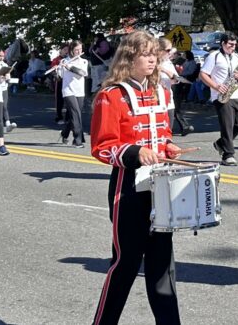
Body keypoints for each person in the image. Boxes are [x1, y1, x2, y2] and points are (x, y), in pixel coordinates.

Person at [90, 30, 183, 325]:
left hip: (161, 186)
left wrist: (168, 146)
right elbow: (102, 147)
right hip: (127, 188)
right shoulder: (111, 95)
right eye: (145, 54)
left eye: (154, 53)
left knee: (162, 266)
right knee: (125, 264)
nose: (152, 59)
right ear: (129, 58)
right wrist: (135, 153)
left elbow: (162, 133)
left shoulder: (161, 91)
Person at [200, 32, 238, 166]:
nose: (233, 47)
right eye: (230, 44)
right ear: (223, 43)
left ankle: (221, 143)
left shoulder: (236, 57)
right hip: (219, 94)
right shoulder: (214, 56)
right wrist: (216, 86)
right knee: (227, 124)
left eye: (235, 45)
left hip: (235, 92)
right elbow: (203, 74)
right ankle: (228, 155)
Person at [59, 40, 89, 148]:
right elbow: (61, 76)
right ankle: (78, 140)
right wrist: (61, 67)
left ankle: (64, 133)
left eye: (80, 49)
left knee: (73, 115)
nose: (78, 51)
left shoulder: (84, 61)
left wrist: (70, 67)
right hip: (68, 91)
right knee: (76, 114)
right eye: (76, 50)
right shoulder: (64, 60)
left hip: (79, 91)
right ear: (71, 50)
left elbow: (82, 74)